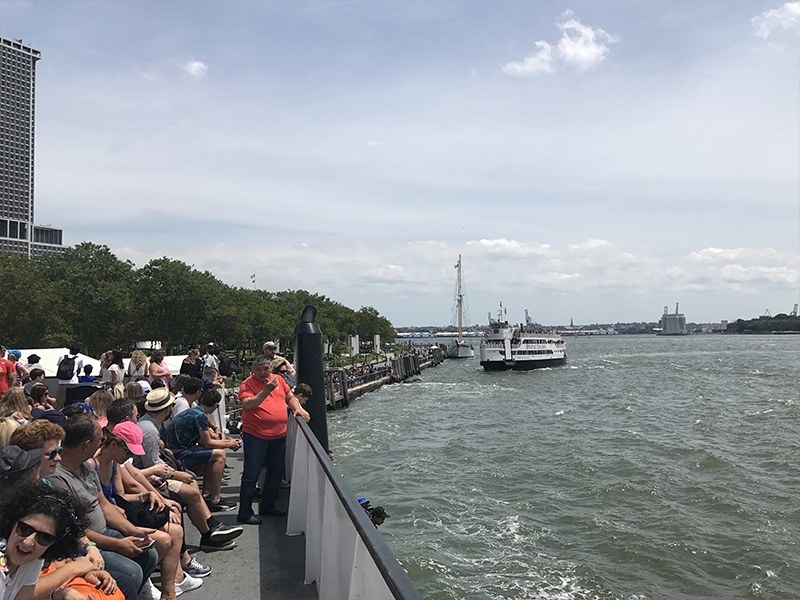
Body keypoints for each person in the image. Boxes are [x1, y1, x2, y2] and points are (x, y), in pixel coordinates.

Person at [46, 412, 158, 600]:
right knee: (131, 572)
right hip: (82, 544)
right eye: (100, 439)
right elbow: (75, 529)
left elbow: (104, 504)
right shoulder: (57, 478)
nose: (103, 442)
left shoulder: (87, 467)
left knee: (150, 555)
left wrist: (134, 532)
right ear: (87, 445)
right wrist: (118, 544)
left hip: (104, 532)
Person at [135, 389, 243, 553]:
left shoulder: (148, 424)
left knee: (191, 481)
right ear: (166, 409)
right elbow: (153, 465)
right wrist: (176, 474)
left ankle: (211, 525)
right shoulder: (150, 430)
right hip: (148, 479)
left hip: (156, 468)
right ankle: (209, 528)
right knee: (191, 486)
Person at [236, 354, 310, 525]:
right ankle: (245, 513)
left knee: (276, 473)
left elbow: (289, 396)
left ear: (270, 368)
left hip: (278, 436)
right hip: (256, 436)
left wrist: (298, 409)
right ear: (253, 370)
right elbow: (248, 405)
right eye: (259, 370)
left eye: (266, 369)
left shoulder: (278, 379)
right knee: (251, 475)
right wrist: (266, 390)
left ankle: (267, 506)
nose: (263, 373)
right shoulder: (247, 384)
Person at [0, 480, 90, 600]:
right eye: (24, 529)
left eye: (44, 538)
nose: (28, 542)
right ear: (12, 523)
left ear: (54, 544)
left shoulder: (34, 560)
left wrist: (57, 595)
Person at [163, 391, 241, 513]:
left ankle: (206, 494)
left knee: (212, 454)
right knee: (220, 455)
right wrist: (229, 444)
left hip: (174, 450)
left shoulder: (195, 411)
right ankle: (216, 499)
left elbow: (205, 439)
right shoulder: (200, 416)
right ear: (216, 405)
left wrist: (215, 429)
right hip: (179, 454)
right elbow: (208, 442)